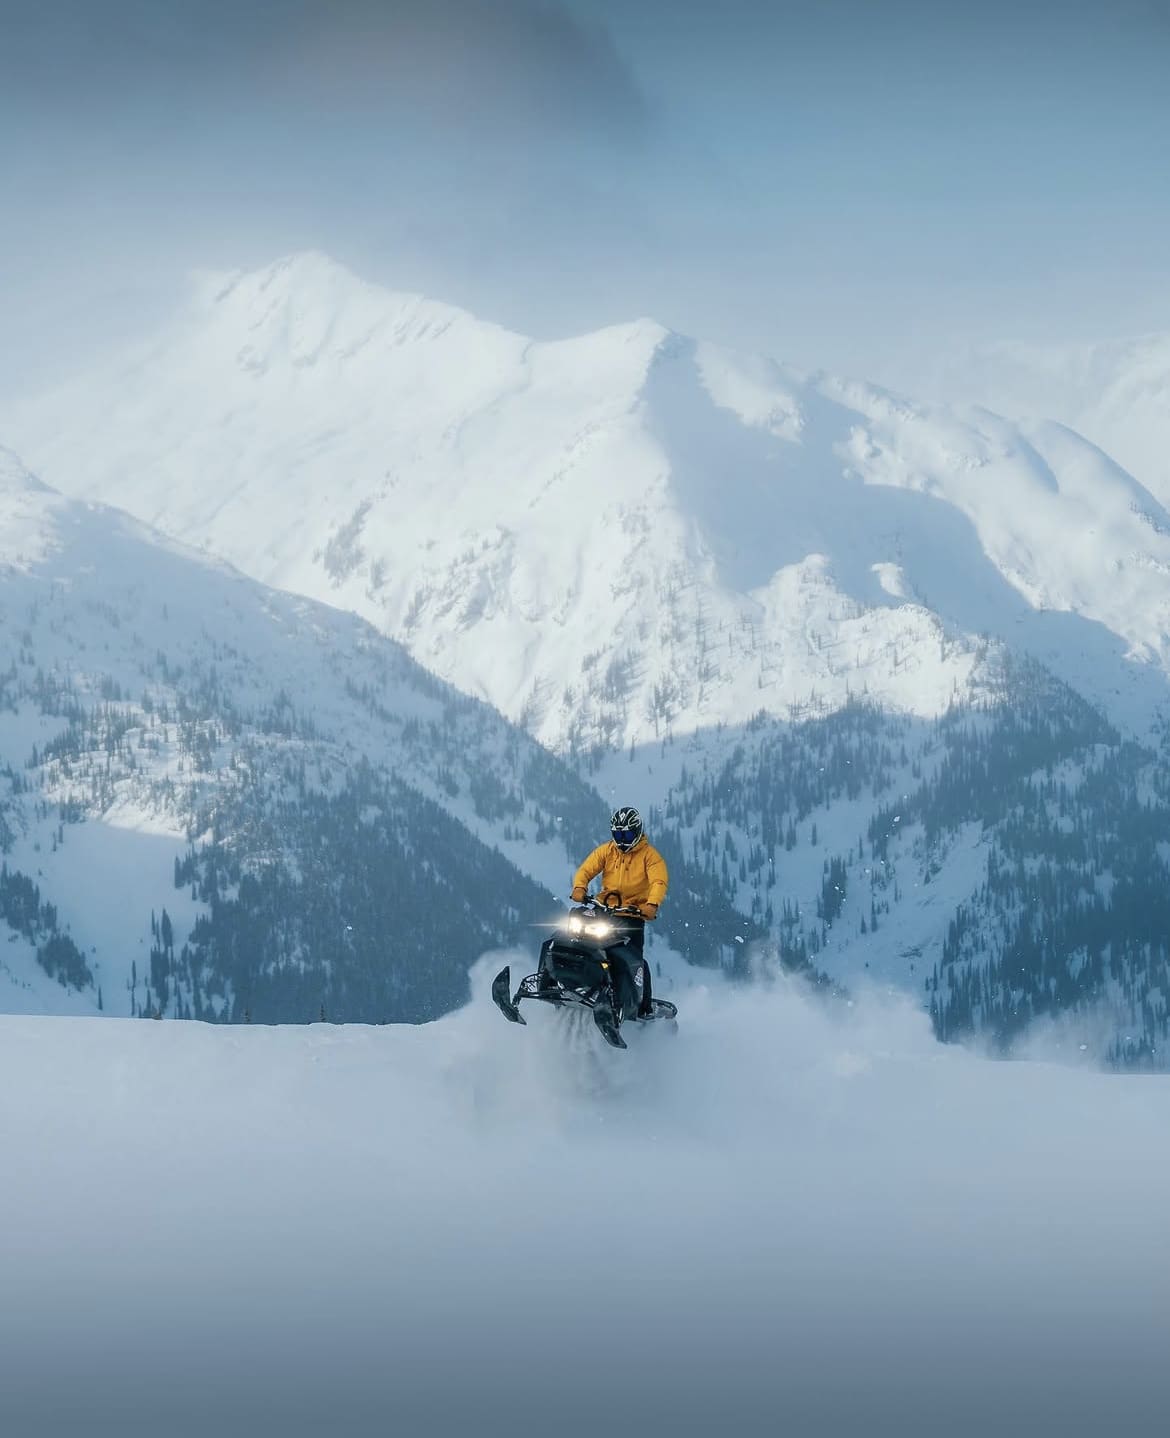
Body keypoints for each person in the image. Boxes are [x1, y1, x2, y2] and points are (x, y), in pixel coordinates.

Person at [569, 807, 668, 1019]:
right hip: (604, 909)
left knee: (634, 960)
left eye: (627, 835)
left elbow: (659, 881)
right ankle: (557, 979)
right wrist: (579, 887)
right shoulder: (607, 851)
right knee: (572, 932)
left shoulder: (650, 857)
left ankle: (643, 1008)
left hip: (632, 915)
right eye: (618, 834)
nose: (622, 840)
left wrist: (651, 904)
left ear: (638, 832)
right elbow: (587, 868)